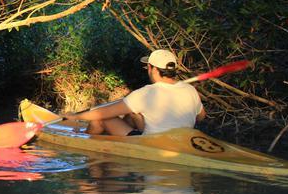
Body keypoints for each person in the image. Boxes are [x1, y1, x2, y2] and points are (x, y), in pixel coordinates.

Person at [64, 49, 206, 136]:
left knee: (100, 119)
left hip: (152, 144)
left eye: (148, 67)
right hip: (183, 141)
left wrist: (75, 116)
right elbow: (200, 117)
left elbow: (103, 112)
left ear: (153, 69)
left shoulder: (146, 93)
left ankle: (83, 142)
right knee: (133, 115)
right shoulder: (190, 90)